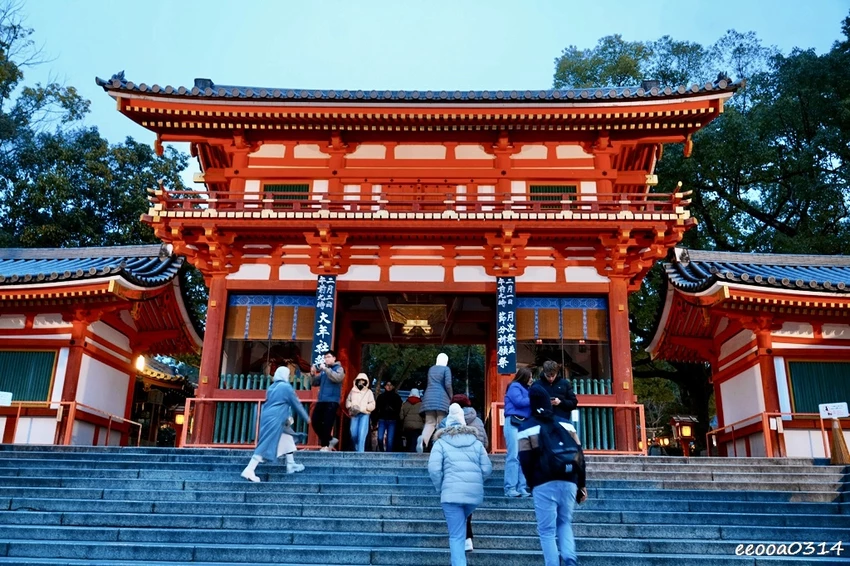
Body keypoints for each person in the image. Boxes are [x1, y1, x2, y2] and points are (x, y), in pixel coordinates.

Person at [518, 387, 587, 566]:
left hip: (543, 482)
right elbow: (580, 456)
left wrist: (532, 484)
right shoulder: (566, 424)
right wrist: (581, 484)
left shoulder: (526, 428)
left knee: (547, 530)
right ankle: (569, 557)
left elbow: (525, 460)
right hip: (569, 479)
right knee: (564, 522)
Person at [428, 403, 492, 566]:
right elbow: (487, 468)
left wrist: (440, 487)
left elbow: (434, 469)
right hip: (473, 494)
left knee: (456, 535)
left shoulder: (440, 443)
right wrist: (477, 482)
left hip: (450, 494)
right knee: (462, 524)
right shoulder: (476, 443)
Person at [241, 366, 310, 482]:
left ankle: (291, 463)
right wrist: (307, 418)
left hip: (268, 415)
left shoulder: (272, 387)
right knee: (266, 442)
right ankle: (249, 469)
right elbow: (296, 403)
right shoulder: (286, 387)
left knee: (286, 436)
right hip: (277, 417)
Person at [504, 367, 533, 498]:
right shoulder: (514, 386)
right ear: (524, 377)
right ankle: (510, 488)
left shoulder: (527, 389)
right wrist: (534, 398)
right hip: (513, 422)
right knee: (513, 456)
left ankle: (521, 487)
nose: (531, 379)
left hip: (524, 424)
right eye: (530, 377)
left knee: (524, 457)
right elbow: (519, 402)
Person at [310, 350, 345, 451]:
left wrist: (325, 369)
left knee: (327, 423)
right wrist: (312, 374)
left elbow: (337, 378)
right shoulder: (324, 372)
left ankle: (325, 445)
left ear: (334, 358)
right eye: (325, 357)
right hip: (321, 400)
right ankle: (329, 439)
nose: (326, 359)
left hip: (332, 400)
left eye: (329, 357)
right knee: (315, 421)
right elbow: (314, 383)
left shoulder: (339, 369)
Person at [419, 352, 453, 452]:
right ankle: (438, 445)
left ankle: (423, 440)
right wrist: (451, 396)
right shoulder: (446, 369)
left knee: (430, 423)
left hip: (428, 398)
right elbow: (448, 384)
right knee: (441, 423)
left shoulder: (431, 369)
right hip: (441, 399)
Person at [346, 373, 375, 452]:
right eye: (359, 380)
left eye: (363, 381)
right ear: (356, 381)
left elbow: (373, 404)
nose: (361, 382)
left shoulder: (369, 392)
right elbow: (348, 401)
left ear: (366, 382)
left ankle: (360, 453)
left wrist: (365, 408)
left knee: (362, 434)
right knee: (353, 433)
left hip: (364, 414)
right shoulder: (352, 391)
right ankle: (357, 447)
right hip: (354, 414)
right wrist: (351, 406)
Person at [374, 380, 402, 452]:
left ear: (393, 386)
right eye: (387, 385)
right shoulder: (381, 397)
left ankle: (388, 454)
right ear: (385, 386)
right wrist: (375, 420)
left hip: (392, 420)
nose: (389, 386)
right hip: (382, 419)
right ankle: (382, 452)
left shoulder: (397, 397)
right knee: (380, 438)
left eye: (390, 385)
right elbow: (376, 409)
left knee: (390, 440)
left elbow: (399, 409)